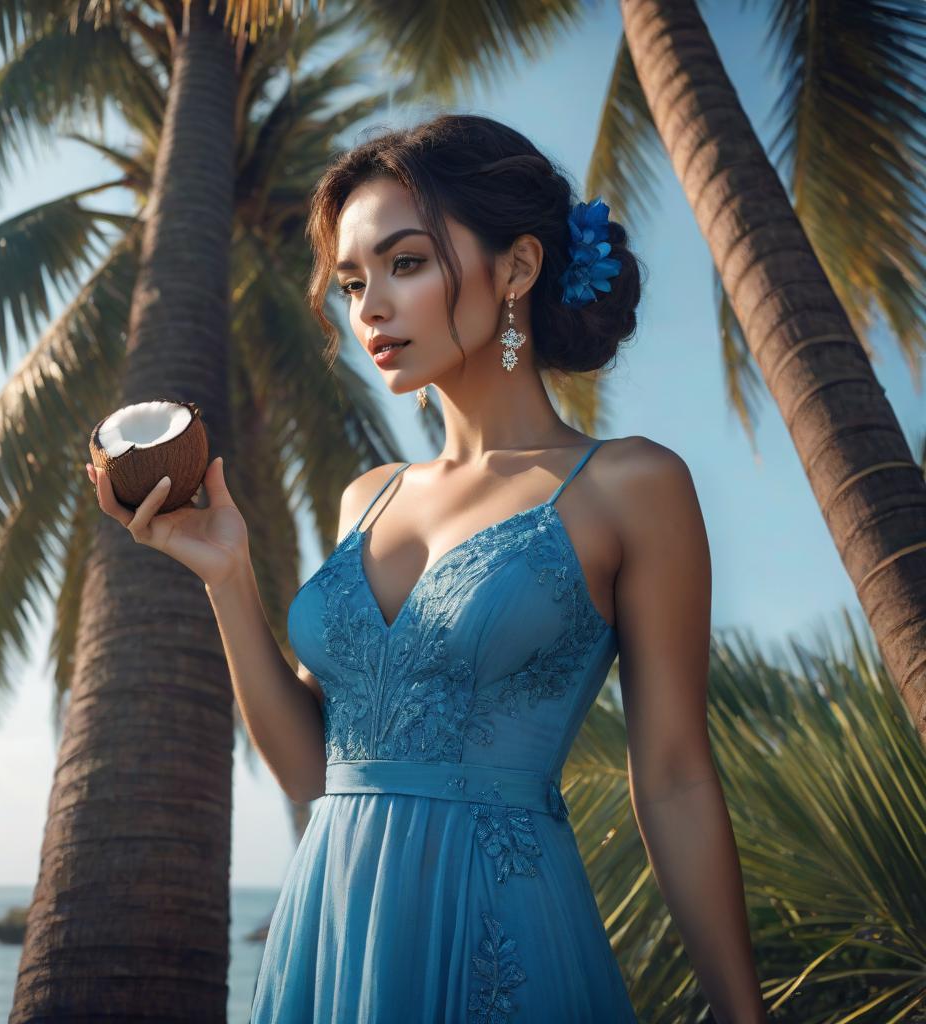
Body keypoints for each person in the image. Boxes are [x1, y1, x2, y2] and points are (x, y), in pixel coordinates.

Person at [86, 113, 766, 1023]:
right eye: (354, 280)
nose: (367, 308)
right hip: (331, 935)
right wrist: (228, 579)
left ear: (518, 268)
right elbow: (316, 771)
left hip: (503, 936)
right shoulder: (366, 495)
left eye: (405, 265)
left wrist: (743, 1013)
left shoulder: (632, 485)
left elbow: (676, 774)